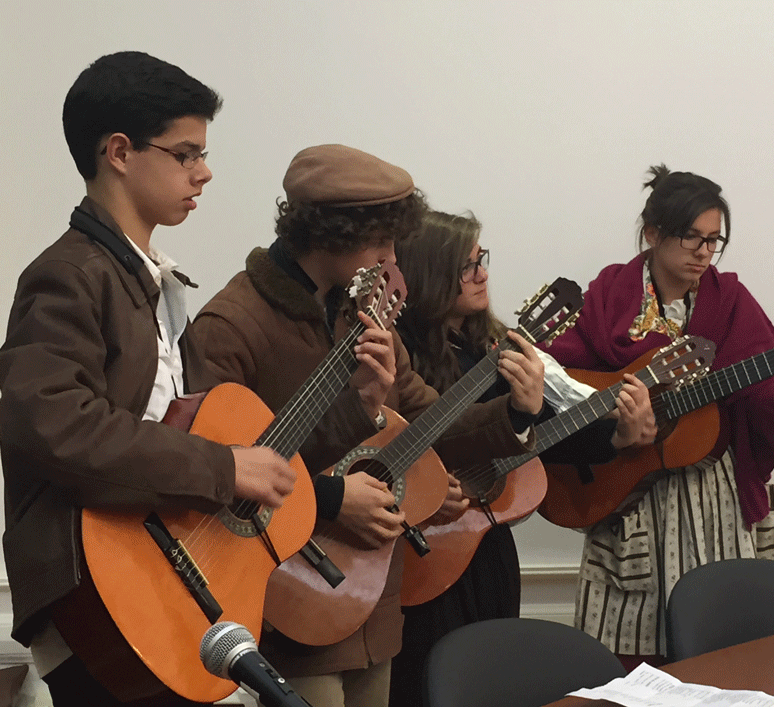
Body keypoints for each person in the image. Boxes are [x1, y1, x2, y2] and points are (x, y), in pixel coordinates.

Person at [190, 144, 546, 707]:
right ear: (328, 234)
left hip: (373, 598)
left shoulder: (362, 305)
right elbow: (215, 473)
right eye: (380, 242)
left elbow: (432, 420)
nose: (390, 259)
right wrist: (331, 497)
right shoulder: (231, 325)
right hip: (292, 596)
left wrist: (516, 413)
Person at [0, 52, 301, 706]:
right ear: (119, 151)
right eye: (186, 152)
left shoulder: (149, 278)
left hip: (154, 570)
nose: (205, 170)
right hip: (96, 587)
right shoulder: (69, 274)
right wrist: (224, 468)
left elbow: (186, 416)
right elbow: (54, 423)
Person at [540, 165, 774, 667]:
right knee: (630, 666)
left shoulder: (731, 303)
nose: (704, 253)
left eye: (714, 241)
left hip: (712, 498)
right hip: (629, 497)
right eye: (691, 238)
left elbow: (761, 402)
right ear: (654, 233)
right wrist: (617, 426)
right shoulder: (610, 295)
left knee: (722, 645)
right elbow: (553, 381)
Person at [388, 209, 657, 707]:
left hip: (486, 544)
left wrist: (619, 437)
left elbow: (548, 431)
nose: (483, 273)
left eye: (481, 260)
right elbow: (400, 440)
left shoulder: (496, 346)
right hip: (417, 548)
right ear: (431, 271)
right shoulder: (398, 352)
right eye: (468, 265)